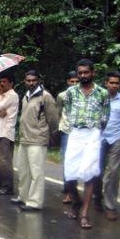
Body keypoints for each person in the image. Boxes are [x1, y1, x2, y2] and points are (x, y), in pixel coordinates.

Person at [63, 59, 110, 229]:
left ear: (93, 73)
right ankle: (76, 202)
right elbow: (67, 111)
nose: (83, 75)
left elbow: (105, 116)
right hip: (76, 133)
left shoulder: (102, 93)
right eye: (80, 73)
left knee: (89, 174)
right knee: (69, 175)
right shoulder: (71, 92)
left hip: (93, 134)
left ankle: (84, 214)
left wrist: (96, 132)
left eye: (86, 72)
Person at [11, 70, 58, 212]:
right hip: (24, 139)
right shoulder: (25, 96)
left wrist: (53, 137)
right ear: (25, 81)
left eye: (34, 80)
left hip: (38, 139)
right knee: (23, 170)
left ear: (39, 80)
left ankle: (34, 202)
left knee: (36, 173)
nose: (31, 83)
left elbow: (53, 119)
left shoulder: (46, 97)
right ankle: (23, 197)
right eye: (28, 80)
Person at [93, 71, 120, 221]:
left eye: (117, 83)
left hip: (117, 139)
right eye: (111, 82)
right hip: (99, 139)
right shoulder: (98, 98)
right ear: (106, 83)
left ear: (119, 85)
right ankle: (97, 198)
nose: (114, 85)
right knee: (96, 171)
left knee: (113, 173)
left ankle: (110, 206)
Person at [0, 73, 19, 196]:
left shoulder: (12, 95)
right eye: (1, 82)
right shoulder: (1, 95)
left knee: (4, 161)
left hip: (5, 132)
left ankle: (7, 187)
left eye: (5, 82)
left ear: (11, 83)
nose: (2, 84)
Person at [56, 71, 80, 204]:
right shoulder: (62, 96)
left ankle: (72, 188)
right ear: (68, 82)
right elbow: (59, 111)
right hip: (66, 130)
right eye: (72, 81)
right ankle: (68, 189)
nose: (74, 84)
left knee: (77, 160)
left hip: (79, 132)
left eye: (77, 82)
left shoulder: (83, 95)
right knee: (67, 160)